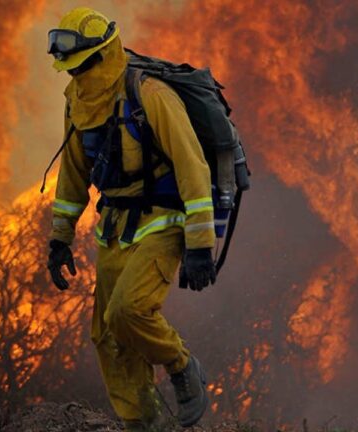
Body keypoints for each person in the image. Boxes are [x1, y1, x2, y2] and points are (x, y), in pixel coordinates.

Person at [46, 7, 215, 430]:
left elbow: (193, 168)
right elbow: (72, 174)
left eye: (80, 65)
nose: (73, 75)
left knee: (127, 311)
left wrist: (199, 244)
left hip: (162, 222)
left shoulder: (151, 95)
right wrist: (59, 238)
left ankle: (181, 367)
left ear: (102, 55)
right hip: (114, 228)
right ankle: (143, 423)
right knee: (107, 335)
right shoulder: (77, 103)